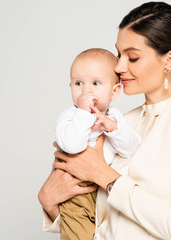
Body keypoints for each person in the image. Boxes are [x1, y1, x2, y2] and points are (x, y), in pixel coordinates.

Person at [38, 2, 171, 240]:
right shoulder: (117, 123)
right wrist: (48, 199)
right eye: (119, 54)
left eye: (133, 57)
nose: (118, 66)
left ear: (168, 61)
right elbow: (94, 221)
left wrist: (102, 174)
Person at [54, 48, 141, 240]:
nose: (86, 90)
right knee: (79, 235)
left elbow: (130, 149)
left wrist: (114, 129)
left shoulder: (114, 117)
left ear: (115, 91)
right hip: (76, 191)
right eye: (78, 83)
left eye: (95, 83)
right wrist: (84, 114)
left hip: (105, 188)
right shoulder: (70, 116)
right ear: (70, 87)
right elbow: (72, 146)